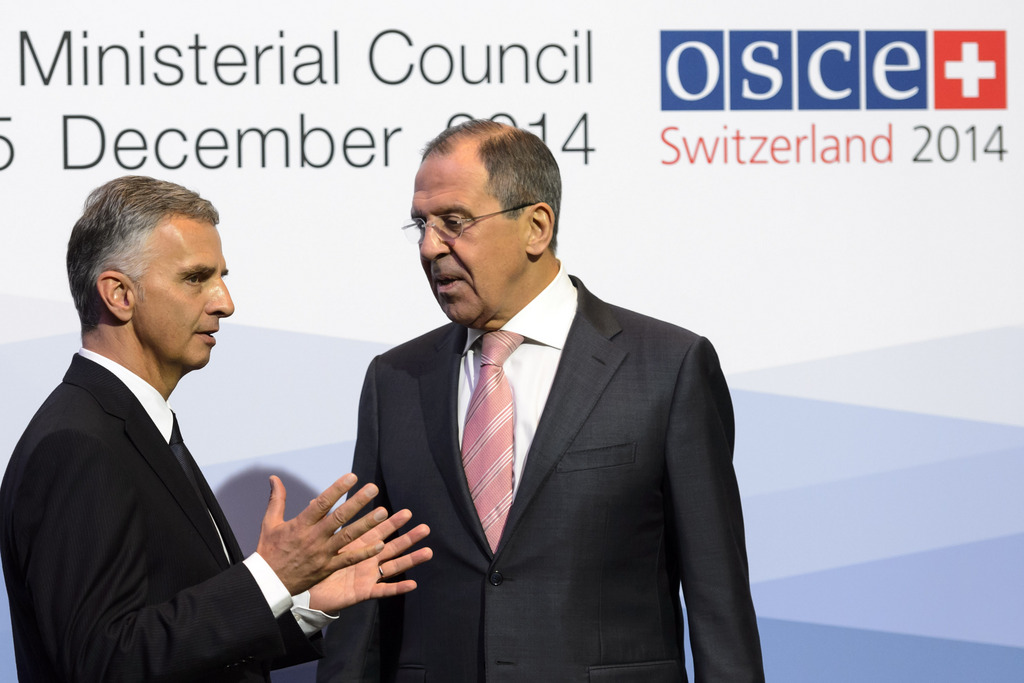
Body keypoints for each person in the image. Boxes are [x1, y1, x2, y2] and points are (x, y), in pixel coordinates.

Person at [318, 120, 764, 682]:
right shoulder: (395, 380)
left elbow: (717, 600)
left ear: (535, 226)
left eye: (453, 222)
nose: (430, 247)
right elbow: (367, 596)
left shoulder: (667, 367)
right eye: (421, 225)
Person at [0, 176, 432, 682]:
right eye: (195, 278)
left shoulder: (129, 426)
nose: (225, 301)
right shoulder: (77, 444)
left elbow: (174, 638)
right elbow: (101, 661)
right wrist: (271, 576)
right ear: (118, 294)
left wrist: (304, 601)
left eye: (221, 276)